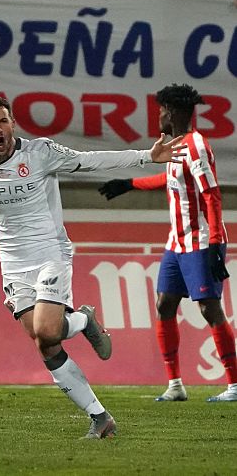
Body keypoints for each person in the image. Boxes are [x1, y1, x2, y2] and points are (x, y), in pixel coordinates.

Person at [0, 96, 187, 439]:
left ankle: (83, 320)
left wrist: (145, 157)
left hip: (50, 253)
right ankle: (100, 418)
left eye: (4, 121)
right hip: (13, 265)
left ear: (12, 124)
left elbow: (88, 161)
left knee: (48, 331)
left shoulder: (40, 153)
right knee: (44, 344)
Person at [98, 83, 235, 402]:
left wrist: (215, 243)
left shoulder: (196, 145)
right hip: (176, 244)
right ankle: (175, 385)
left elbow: (211, 194)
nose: (158, 115)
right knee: (164, 305)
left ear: (172, 112)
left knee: (209, 308)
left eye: (161, 110)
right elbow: (170, 179)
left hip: (200, 242)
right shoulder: (175, 146)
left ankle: (234, 385)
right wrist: (130, 183)